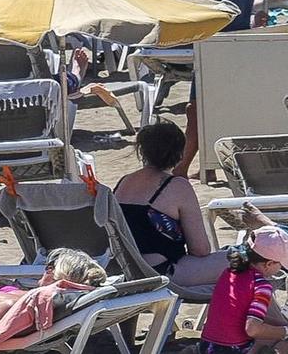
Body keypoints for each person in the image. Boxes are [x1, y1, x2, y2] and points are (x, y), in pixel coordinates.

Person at [112, 121, 270, 285]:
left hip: (125, 270)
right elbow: (200, 249)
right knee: (253, 259)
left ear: (142, 151)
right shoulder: (176, 186)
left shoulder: (124, 182)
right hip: (161, 272)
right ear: (180, 154)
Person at [192, 228, 288, 354]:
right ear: (269, 264)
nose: (281, 269)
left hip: (206, 350)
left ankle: (192, 352)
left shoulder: (229, 273)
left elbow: (238, 314)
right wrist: (287, 331)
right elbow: (252, 329)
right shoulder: (261, 286)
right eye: (281, 265)